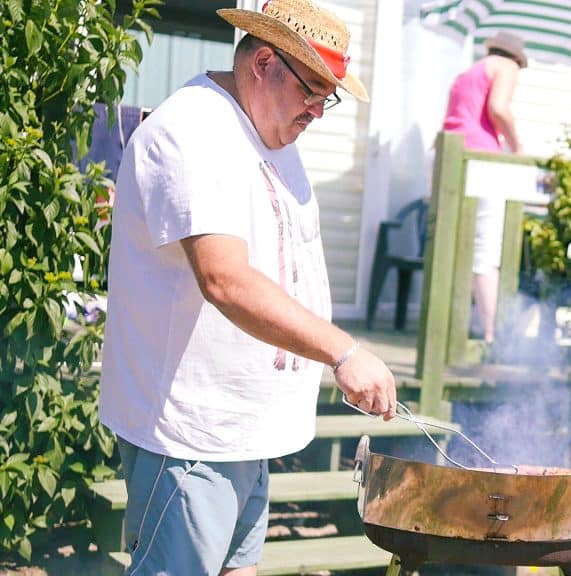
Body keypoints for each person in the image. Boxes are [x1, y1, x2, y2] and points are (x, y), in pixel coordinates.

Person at [98, 0, 397, 574]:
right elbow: (224, 278)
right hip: (190, 436)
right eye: (313, 91)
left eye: (327, 97)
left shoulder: (270, 132)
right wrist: (343, 351)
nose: (318, 112)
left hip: (244, 432)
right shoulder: (193, 131)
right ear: (263, 62)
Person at [441, 31, 528, 345]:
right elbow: (499, 108)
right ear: (517, 57)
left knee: (451, 248)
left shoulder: (471, 70)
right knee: (484, 250)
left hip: (447, 157)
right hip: (478, 160)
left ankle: (450, 331)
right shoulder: (506, 67)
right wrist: (517, 147)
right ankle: (491, 337)